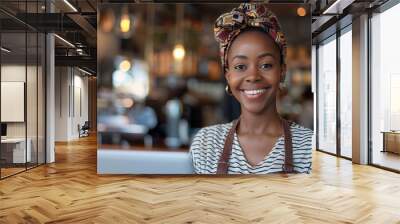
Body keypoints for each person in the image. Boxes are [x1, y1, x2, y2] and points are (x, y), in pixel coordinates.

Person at [189, 3, 313, 174]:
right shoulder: (206, 144)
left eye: (266, 65)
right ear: (228, 76)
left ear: (282, 71)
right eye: (240, 66)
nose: (253, 76)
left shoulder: (310, 146)